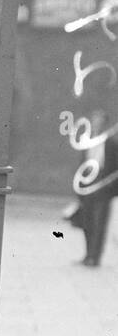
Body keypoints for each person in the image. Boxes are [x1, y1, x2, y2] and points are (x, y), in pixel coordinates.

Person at [74, 109, 117, 266]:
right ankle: (87, 255)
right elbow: (81, 165)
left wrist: (110, 186)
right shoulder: (86, 141)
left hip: (103, 188)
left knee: (100, 223)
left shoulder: (111, 143)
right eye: (94, 121)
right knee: (87, 222)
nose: (96, 124)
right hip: (87, 186)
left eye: (100, 122)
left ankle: (95, 257)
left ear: (105, 124)